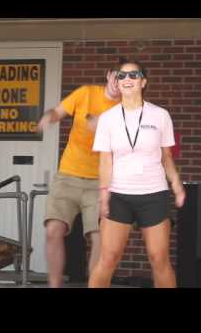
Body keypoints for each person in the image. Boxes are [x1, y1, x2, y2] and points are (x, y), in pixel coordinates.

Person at [89, 59, 186, 288]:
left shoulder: (160, 115)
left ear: (143, 81)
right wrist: (103, 194)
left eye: (134, 75)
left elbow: (167, 157)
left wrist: (177, 184)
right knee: (108, 259)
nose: (127, 80)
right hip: (118, 195)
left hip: (153, 194)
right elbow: (105, 160)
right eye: (122, 76)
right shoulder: (107, 118)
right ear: (117, 82)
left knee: (159, 259)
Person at [37, 68, 121, 288]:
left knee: (99, 236)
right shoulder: (86, 93)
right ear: (108, 75)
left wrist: (102, 125)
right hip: (68, 175)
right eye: (117, 75)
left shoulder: (126, 109)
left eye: (125, 78)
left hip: (100, 182)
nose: (118, 81)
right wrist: (49, 117)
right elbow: (57, 111)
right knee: (53, 230)